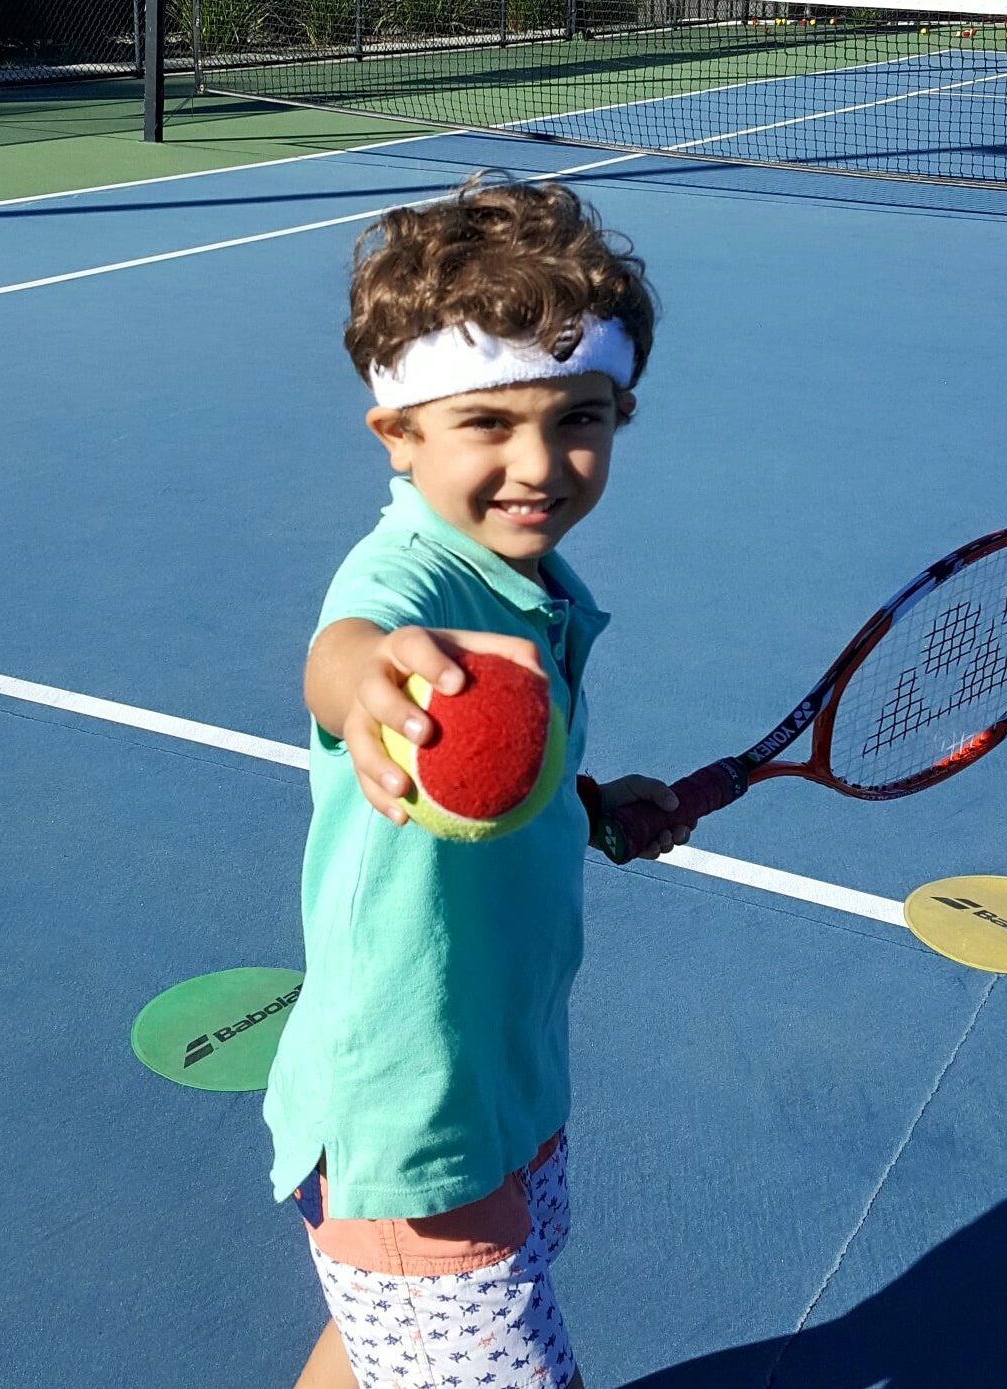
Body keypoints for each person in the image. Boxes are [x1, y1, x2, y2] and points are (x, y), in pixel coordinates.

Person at [269, 176, 690, 1389]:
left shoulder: (529, 583)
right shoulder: (405, 585)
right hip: (412, 1123)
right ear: (397, 435)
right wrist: (367, 685)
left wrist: (591, 802)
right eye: (488, 423)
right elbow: (345, 653)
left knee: (372, 1346)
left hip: (500, 1072)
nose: (542, 463)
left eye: (582, 417)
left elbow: (501, 784)